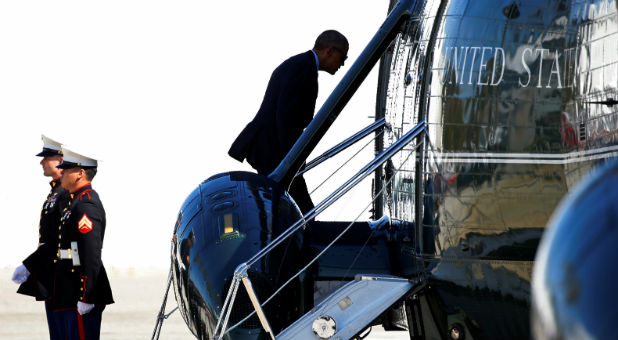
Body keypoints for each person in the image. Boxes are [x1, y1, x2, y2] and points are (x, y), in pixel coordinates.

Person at [228, 30, 349, 214]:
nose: (343, 63)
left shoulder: (299, 64)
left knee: (290, 210)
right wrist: (292, 159)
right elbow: (286, 117)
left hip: (270, 146)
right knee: (303, 211)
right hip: (274, 149)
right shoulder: (303, 68)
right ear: (330, 51)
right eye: (343, 57)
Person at [50, 147, 113, 339]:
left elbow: (90, 253)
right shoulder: (74, 202)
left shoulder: (86, 204)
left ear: (80, 173)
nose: (61, 172)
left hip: (80, 291)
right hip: (68, 288)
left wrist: (86, 296)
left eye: (66, 169)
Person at [12, 135, 71, 338]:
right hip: (52, 275)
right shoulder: (56, 193)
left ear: (61, 160)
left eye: (47, 157)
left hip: (63, 277)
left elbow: (59, 240)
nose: (41, 162)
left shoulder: (65, 194)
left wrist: (30, 264)